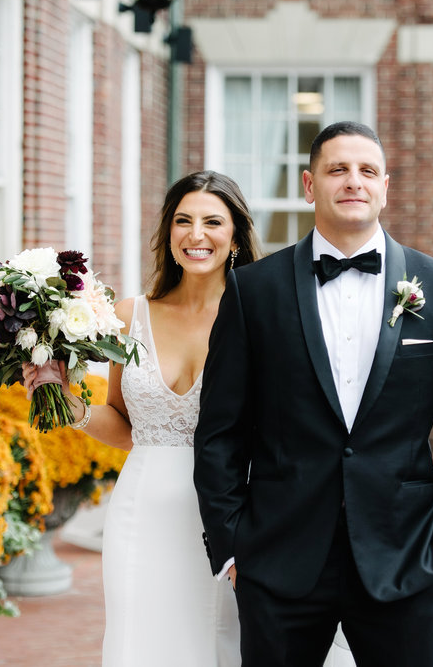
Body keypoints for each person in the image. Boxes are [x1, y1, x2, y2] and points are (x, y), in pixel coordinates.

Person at [194, 122, 433, 666]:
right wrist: (233, 545)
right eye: (337, 170)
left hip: (405, 560)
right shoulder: (253, 291)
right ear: (310, 186)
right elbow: (220, 432)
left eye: (366, 171)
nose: (352, 181)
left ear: (386, 186)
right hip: (278, 561)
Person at [23, 171, 259, 666]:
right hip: (142, 514)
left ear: (235, 235)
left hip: (234, 515)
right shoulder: (129, 317)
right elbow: (125, 426)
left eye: (212, 222)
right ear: (168, 234)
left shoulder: (262, 317)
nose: (196, 235)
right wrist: (65, 400)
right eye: (183, 221)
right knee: (140, 646)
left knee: (224, 644)